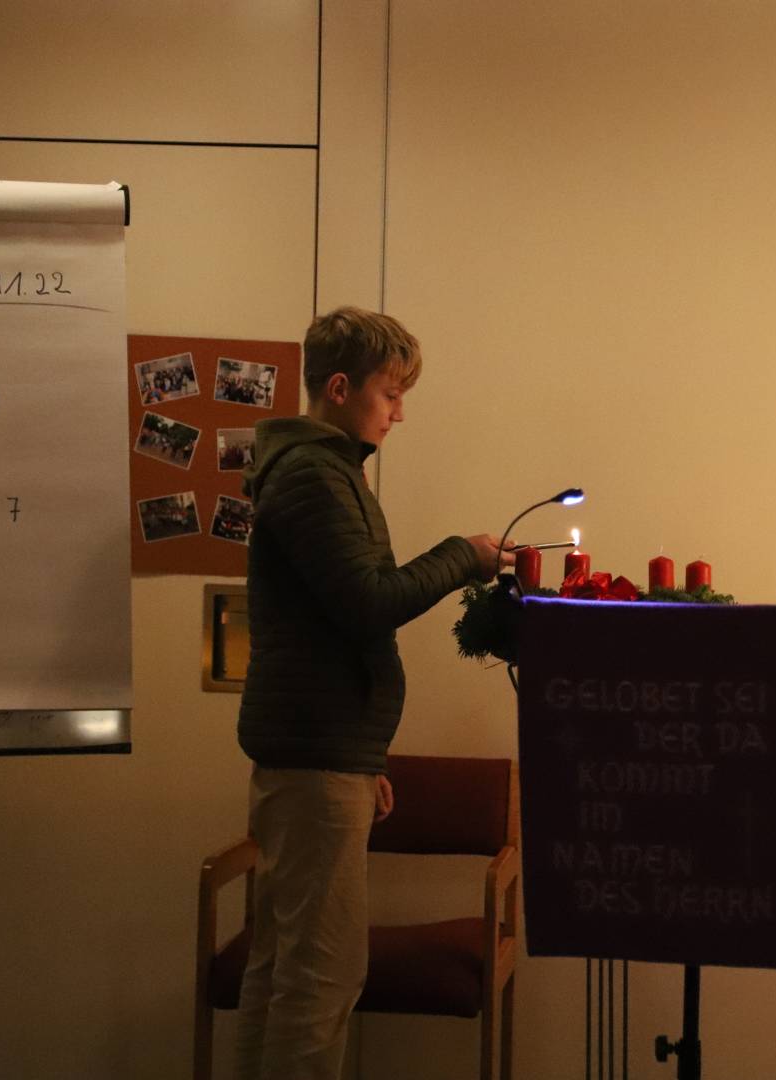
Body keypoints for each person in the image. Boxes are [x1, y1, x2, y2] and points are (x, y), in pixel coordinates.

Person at [233, 306, 512, 1080]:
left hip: (326, 756)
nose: (399, 412)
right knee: (323, 980)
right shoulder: (315, 475)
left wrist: (365, 757)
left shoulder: (321, 469)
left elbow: (334, 623)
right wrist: (465, 555)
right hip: (316, 764)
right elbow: (366, 602)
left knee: (282, 972)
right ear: (339, 387)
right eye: (390, 393)